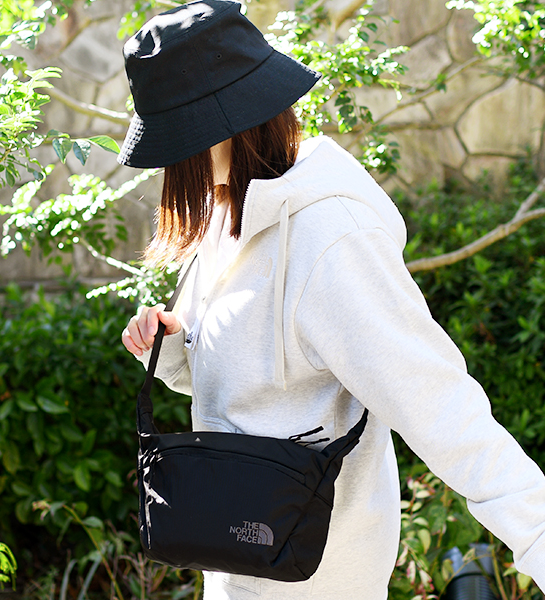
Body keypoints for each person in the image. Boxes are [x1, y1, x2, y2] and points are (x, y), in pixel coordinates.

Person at [118, 1, 545, 598]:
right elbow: (244, 387)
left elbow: (438, 406)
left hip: (313, 571)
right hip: (237, 555)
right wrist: (170, 347)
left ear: (224, 126)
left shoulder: (331, 240)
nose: (171, 165)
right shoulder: (229, 213)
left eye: (177, 141)